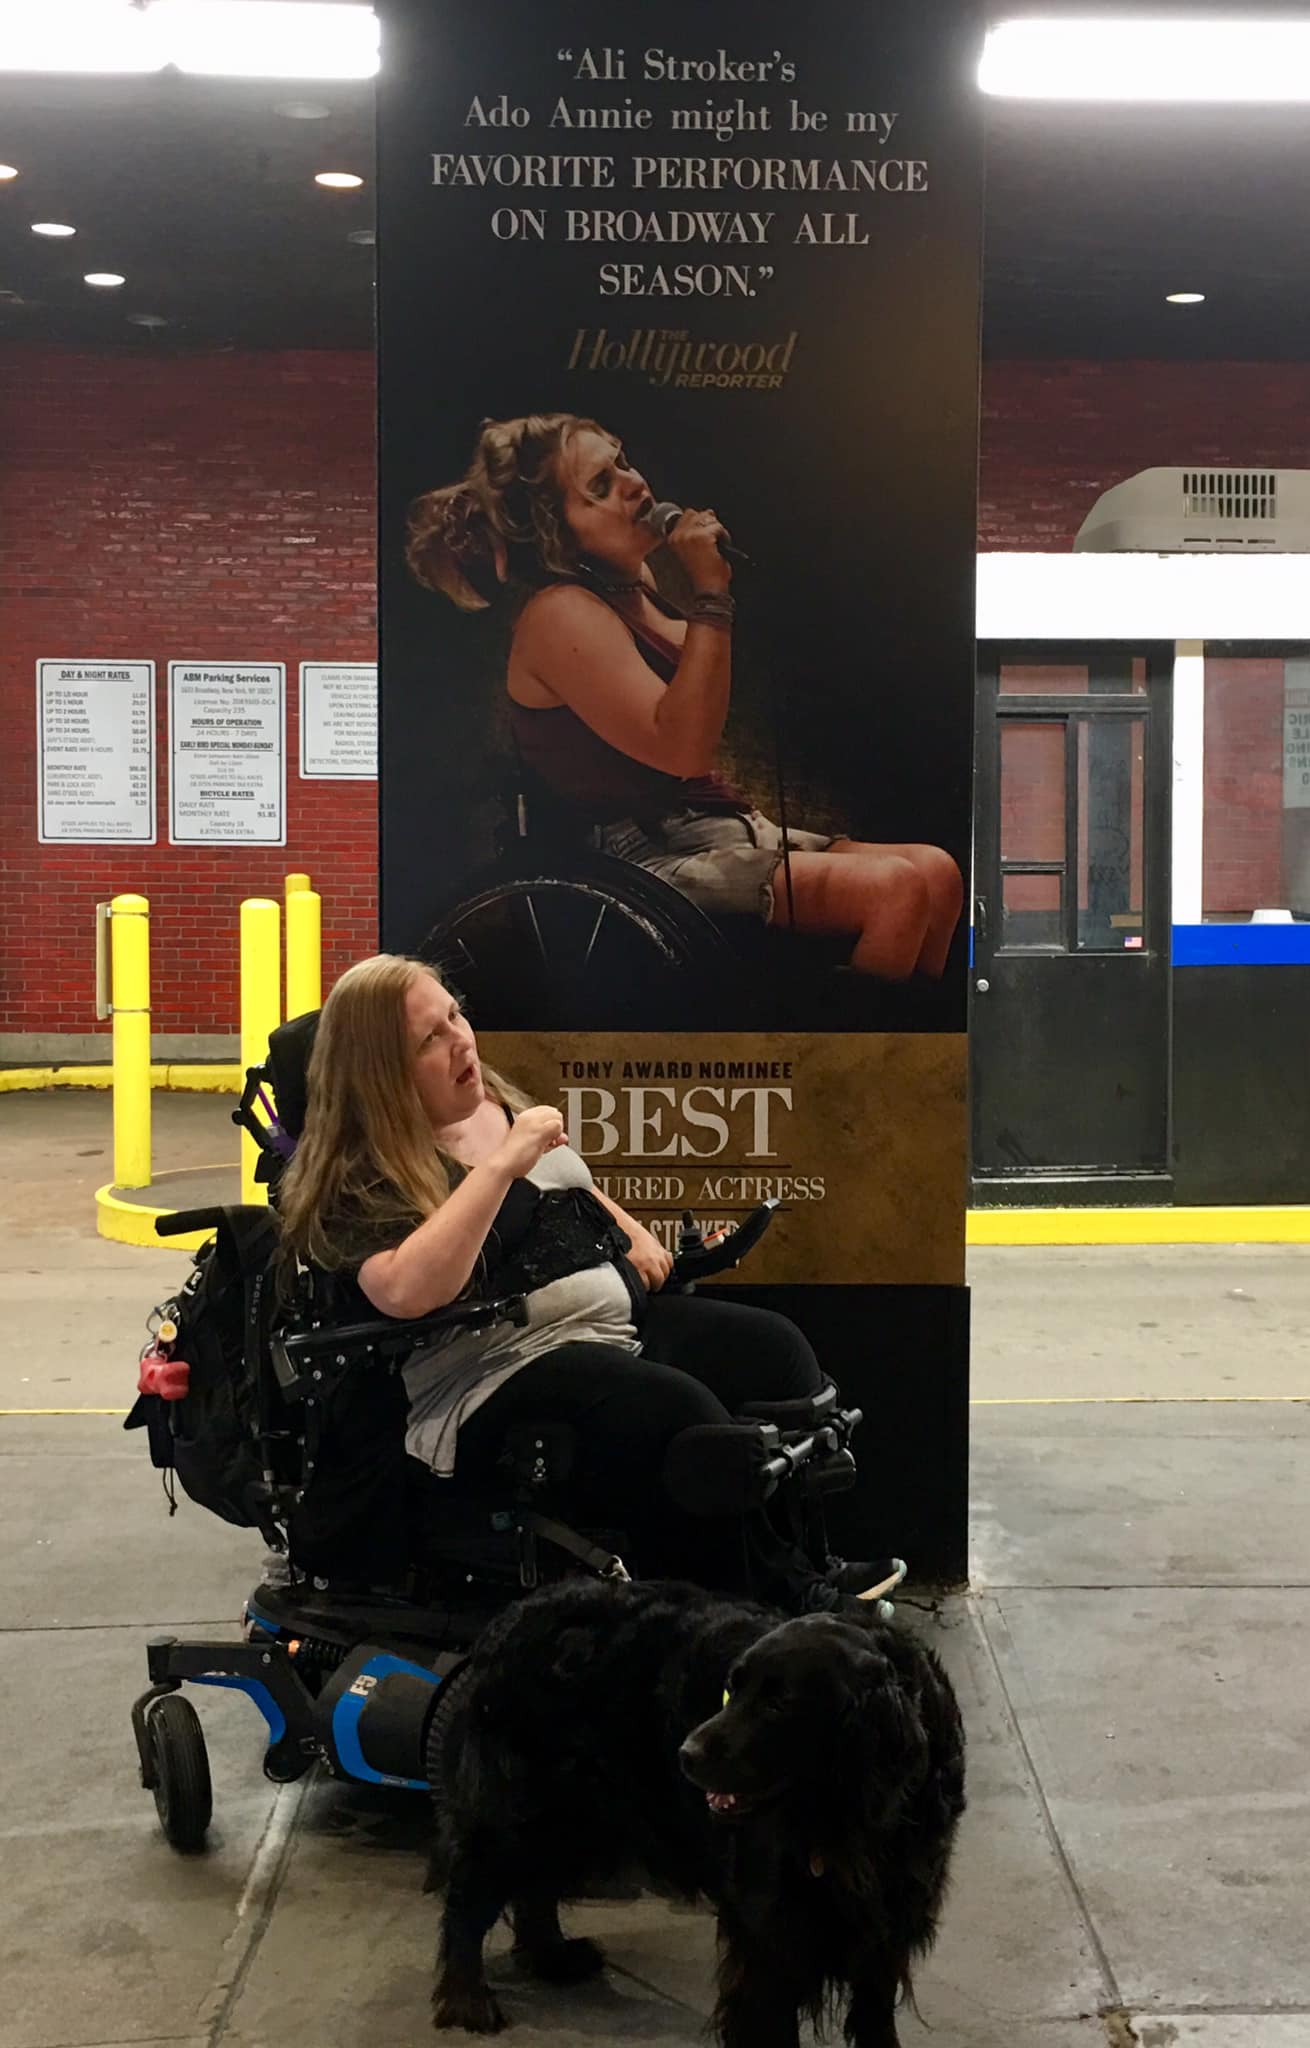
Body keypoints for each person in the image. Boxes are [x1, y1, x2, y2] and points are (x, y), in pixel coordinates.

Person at [277, 954, 903, 1610]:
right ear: (382, 1072)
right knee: (681, 1418)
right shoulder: (361, 1171)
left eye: (455, 1014)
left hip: (597, 1326)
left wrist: (629, 1231)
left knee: (774, 1354)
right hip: (483, 1375)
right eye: (430, 1038)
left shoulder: (481, 1097)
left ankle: (804, 1565)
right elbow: (405, 1291)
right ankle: (772, 1604)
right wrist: (501, 1167)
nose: (461, 1038)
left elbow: (567, 1180)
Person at [406, 412, 963, 981]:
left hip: (719, 827)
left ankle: (898, 1060)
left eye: (621, 461)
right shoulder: (560, 613)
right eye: (601, 486)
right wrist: (711, 592)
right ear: (558, 534)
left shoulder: (635, 585)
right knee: (895, 890)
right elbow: (682, 750)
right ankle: (853, 1063)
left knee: (936, 873)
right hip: (643, 857)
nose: (633, 483)